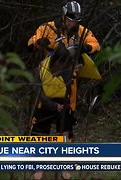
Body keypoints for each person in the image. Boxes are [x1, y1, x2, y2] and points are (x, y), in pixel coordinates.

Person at [28, 0, 100, 141]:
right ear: (63, 15)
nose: (71, 24)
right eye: (69, 20)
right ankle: (36, 156)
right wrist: (39, 42)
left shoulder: (82, 32)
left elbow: (96, 44)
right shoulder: (47, 27)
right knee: (39, 129)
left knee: (66, 130)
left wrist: (85, 48)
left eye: (75, 21)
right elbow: (31, 42)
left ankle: (66, 156)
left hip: (68, 85)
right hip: (46, 81)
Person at [30, 43, 74, 180]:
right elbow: (37, 92)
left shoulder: (67, 68)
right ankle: (39, 167)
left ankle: (65, 166)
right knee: (39, 135)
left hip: (63, 103)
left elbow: (71, 89)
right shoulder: (41, 68)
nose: (61, 69)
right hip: (45, 103)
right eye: (60, 65)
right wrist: (52, 106)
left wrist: (64, 105)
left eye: (64, 66)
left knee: (65, 134)